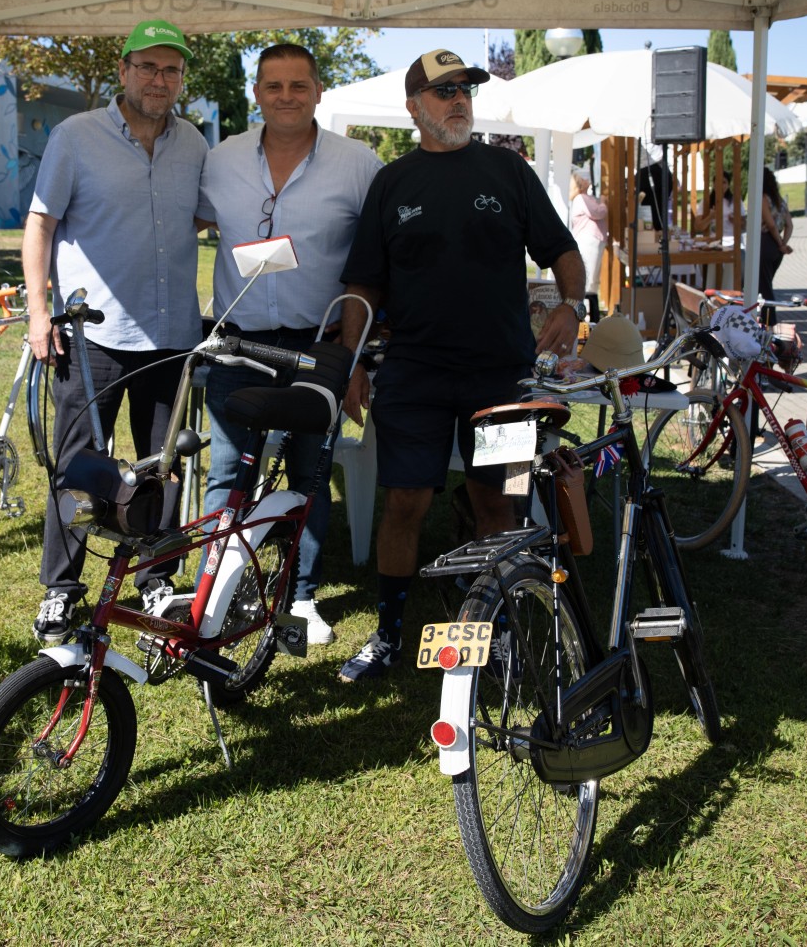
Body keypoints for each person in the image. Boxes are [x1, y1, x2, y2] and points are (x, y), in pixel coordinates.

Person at [333, 49, 585, 682]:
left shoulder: (508, 170)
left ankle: (493, 634)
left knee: (499, 503)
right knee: (405, 502)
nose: (458, 101)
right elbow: (364, 284)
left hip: (500, 376)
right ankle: (389, 637)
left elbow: (561, 248)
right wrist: (351, 361)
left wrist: (572, 303)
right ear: (414, 107)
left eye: (465, 90)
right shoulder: (392, 183)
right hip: (413, 374)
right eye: (444, 91)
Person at [22, 19, 209, 645]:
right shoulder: (76, 136)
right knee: (79, 466)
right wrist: (38, 312)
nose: (160, 80)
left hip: (171, 334)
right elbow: (40, 225)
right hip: (91, 335)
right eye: (148, 67)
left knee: (163, 466)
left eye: (171, 70)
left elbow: (204, 218)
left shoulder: (194, 143)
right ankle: (62, 588)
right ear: (124, 71)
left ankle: (157, 575)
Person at [194, 43, 382, 645]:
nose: (286, 97)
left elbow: (375, 264)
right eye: (273, 86)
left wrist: (354, 356)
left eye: (299, 85)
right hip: (238, 345)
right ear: (256, 94)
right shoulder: (219, 160)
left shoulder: (358, 164)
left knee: (309, 473)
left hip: (318, 346)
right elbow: (184, 223)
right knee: (227, 472)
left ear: (319, 91)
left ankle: (300, 597)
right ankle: (214, 593)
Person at [568, 167, 609, 303]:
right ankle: (585, 308)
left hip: (592, 240)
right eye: (584, 178)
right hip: (589, 240)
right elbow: (598, 213)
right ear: (580, 183)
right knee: (589, 278)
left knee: (593, 278)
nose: (588, 179)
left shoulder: (584, 198)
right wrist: (603, 203)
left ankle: (590, 307)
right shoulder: (581, 198)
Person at [756, 168, 793, 303]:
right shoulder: (780, 200)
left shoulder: (763, 198)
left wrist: (780, 243)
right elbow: (789, 225)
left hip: (765, 242)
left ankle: (770, 315)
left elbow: (770, 224)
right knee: (767, 282)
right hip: (777, 248)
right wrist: (783, 244)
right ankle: (765, 314)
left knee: (764, 287)